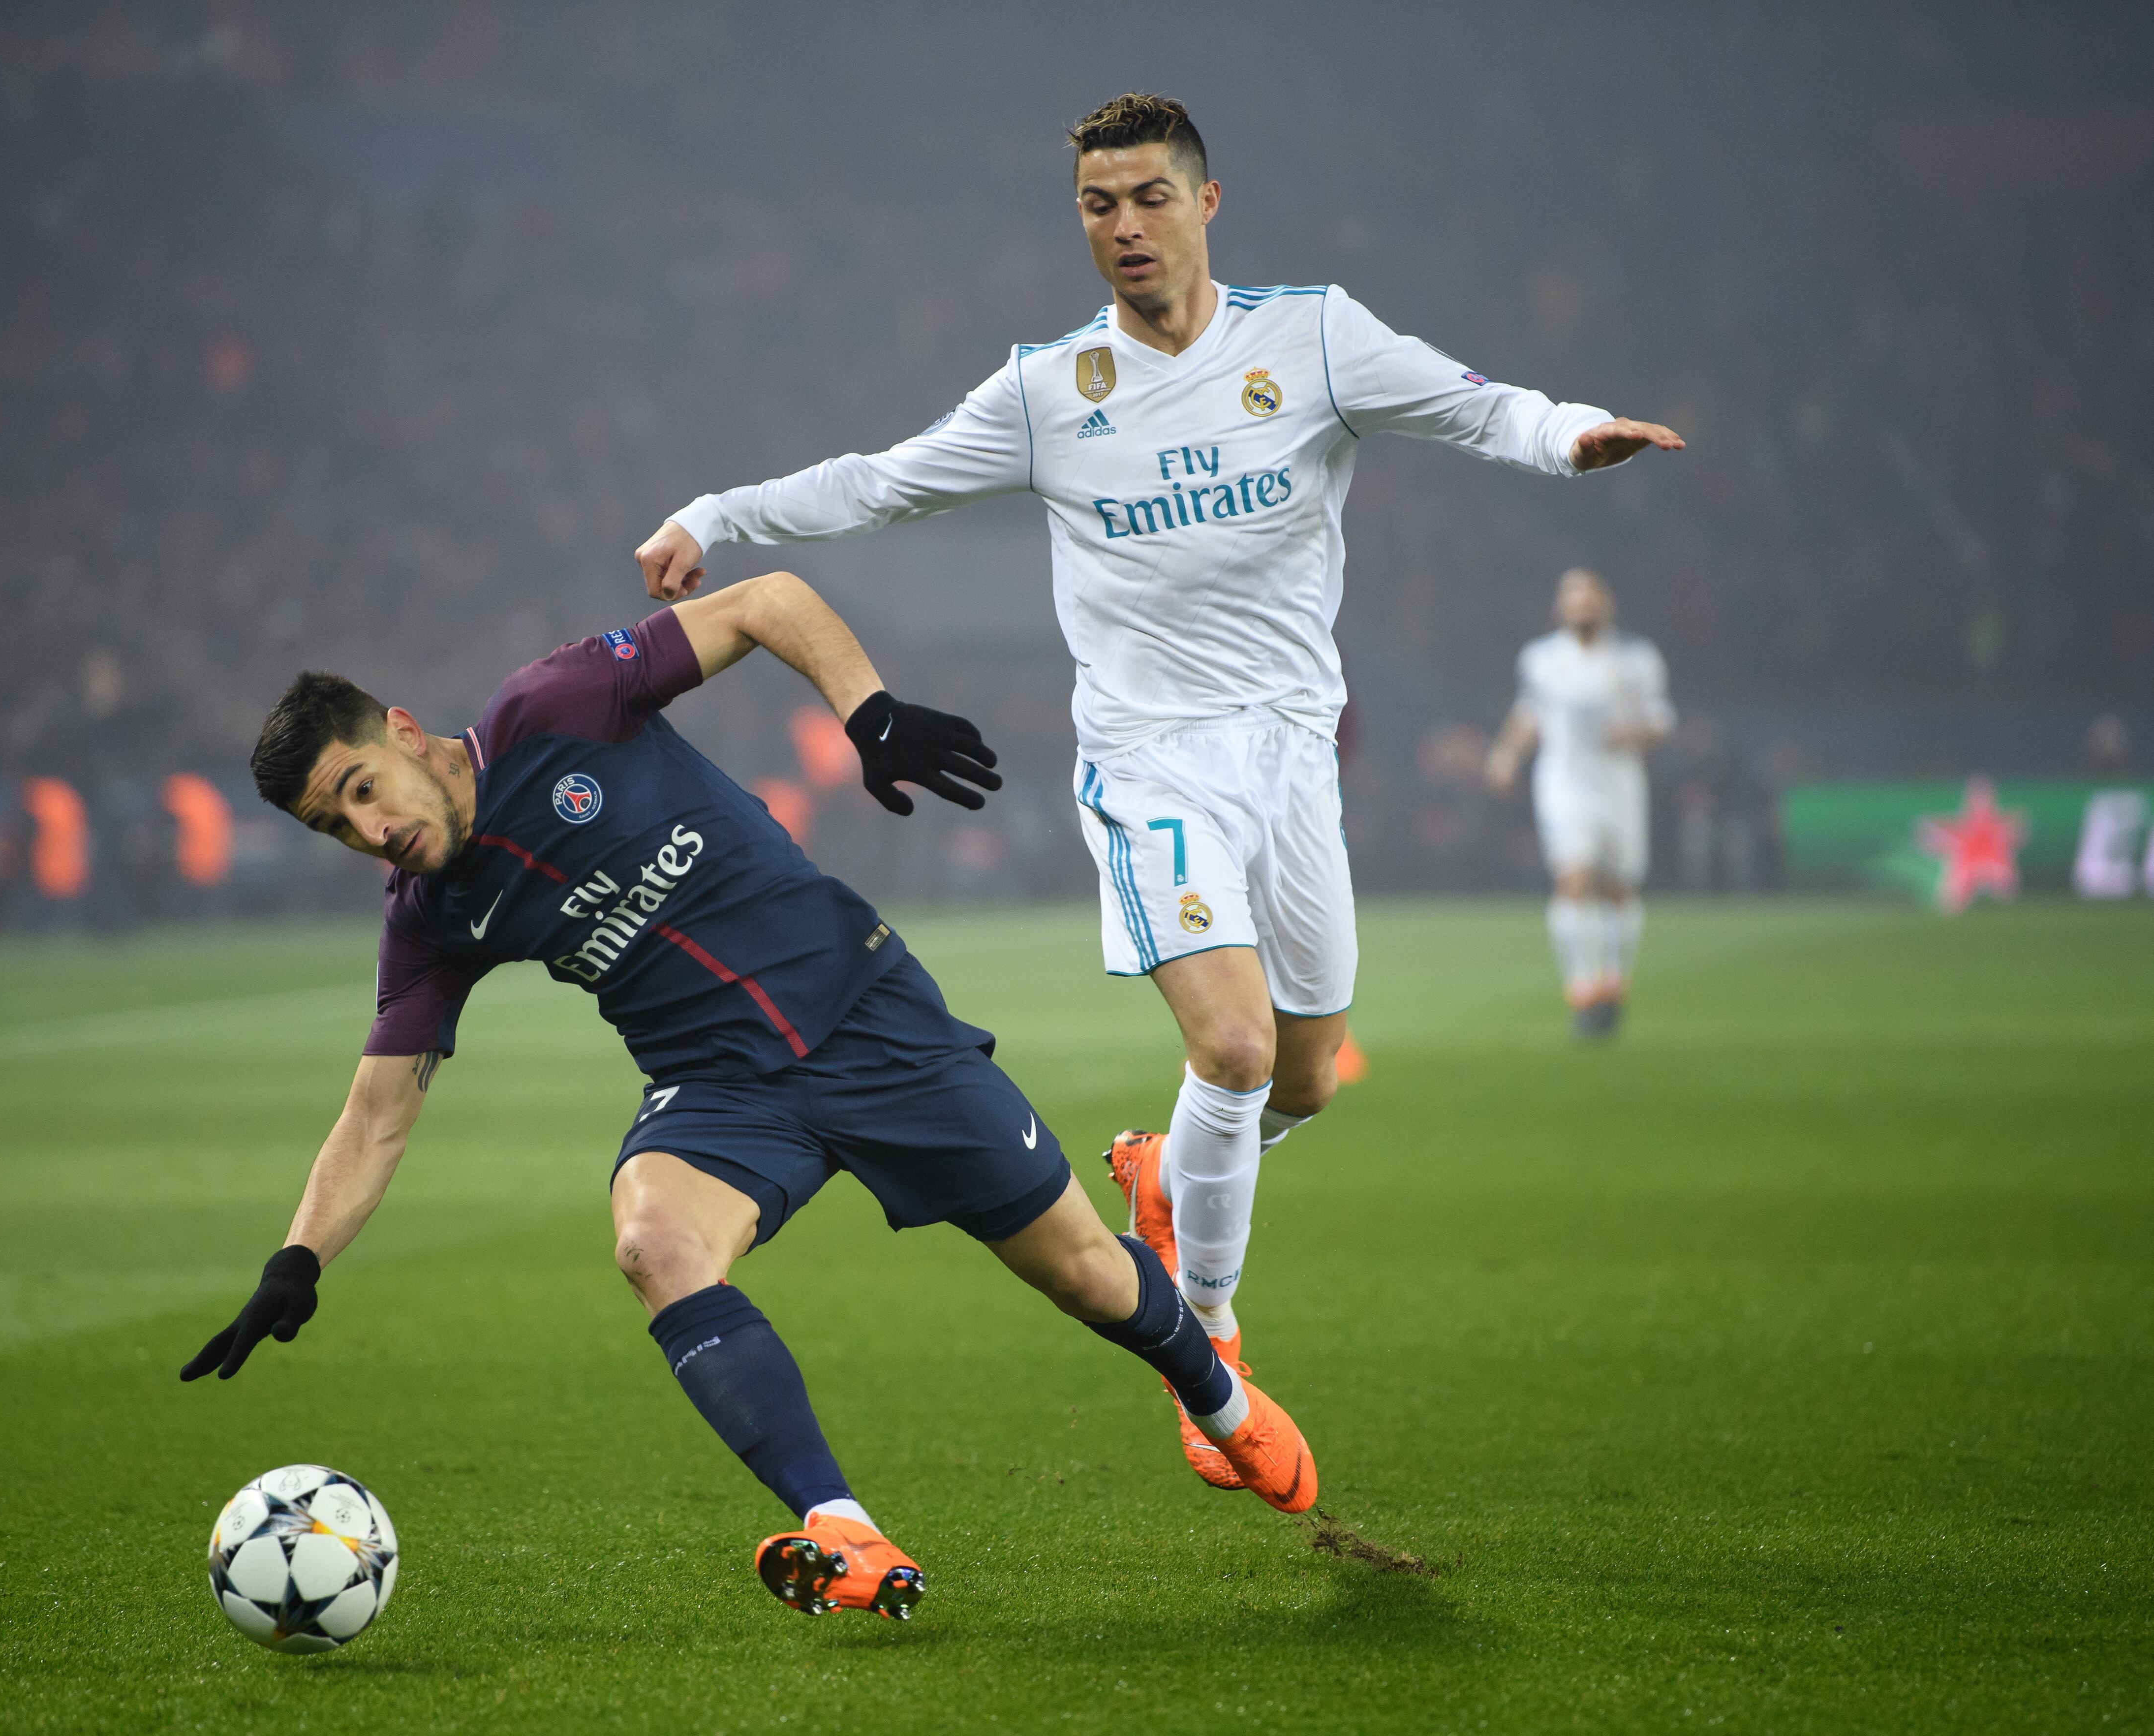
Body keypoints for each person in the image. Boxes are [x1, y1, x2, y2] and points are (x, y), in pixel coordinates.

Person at [630, 93, 1683, 1485]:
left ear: (1204, 203)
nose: (1122, 226)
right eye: (1096, 205)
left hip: (1292, 756)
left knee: (1301, 1080)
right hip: (1148, 760)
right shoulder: (1047, 390)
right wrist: (715, 513)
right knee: (1233, 1050)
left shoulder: (1311, 338)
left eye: (1146, 198)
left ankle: (1165, 1180)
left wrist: (1568, 434)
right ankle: (1207, 1349)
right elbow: (879, 484)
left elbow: (1471, 404)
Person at [181, 573, 1318, 1624]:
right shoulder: (430, 919)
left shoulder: (555, 707)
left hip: (870, 1022)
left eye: (362, 792)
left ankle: (1212, 1392)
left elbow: (764, 601)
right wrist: (297, 1259)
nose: (372, 832)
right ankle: (842, 1528)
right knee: (653, 1244)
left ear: (403, 734)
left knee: (1082, 1275)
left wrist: (868, 713)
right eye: (336, 827)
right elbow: (376, 1114)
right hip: (719, 1090)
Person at [1483, 569, 1675, 1038]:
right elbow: (1530, 713)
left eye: (1589, 597)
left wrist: (1631, 734)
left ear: (1605, 605)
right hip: (1563, 783)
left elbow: (1660, 721)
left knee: (1618, 888)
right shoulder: (1541, 658)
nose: (1582, 605)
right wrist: (1506, 754)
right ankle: (1581, 989)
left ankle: (1614, 982)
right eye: (1573, 597)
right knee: (1572, 878)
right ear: (1560, 606)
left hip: (1619, 783)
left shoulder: (1635, 658)